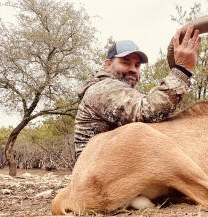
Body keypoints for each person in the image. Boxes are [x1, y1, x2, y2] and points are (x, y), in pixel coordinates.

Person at [74, 26, 201, 158]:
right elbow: (149, 112)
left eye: (137, 65)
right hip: (100, 172)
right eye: (125, 62)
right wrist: (182, 70)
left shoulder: (121, 91)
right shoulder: (102, 89)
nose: (133, 69)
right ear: (108, 65)